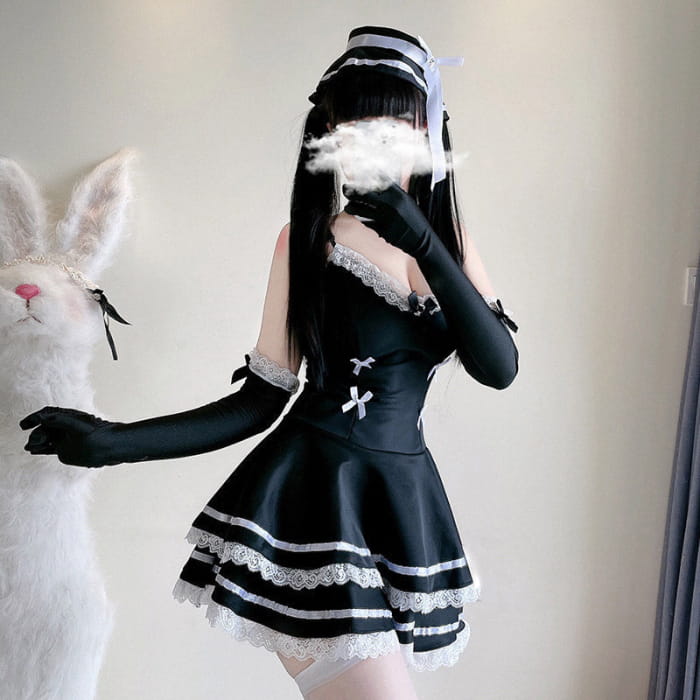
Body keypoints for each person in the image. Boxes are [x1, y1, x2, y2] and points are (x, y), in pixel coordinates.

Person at [19, 25, 519, 699]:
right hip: (312, 500)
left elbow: (499, 366)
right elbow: (259, 400)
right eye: (355, 124)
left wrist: (425, 243)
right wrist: (115, 443)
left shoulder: (451, 245)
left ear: (426, 131)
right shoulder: (308, 243)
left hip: (400, 503)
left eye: (394, 123)